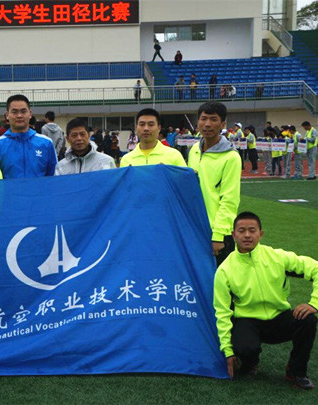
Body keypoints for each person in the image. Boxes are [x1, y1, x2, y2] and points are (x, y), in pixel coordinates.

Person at [213, 212, 318, 389]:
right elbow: (222, 312)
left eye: (252, 230)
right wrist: (228, 351)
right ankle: (250, 361)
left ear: (260, 234)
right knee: (244, 350)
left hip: (279, 318)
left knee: (308, 320)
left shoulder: (278, 257)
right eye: (242, 231)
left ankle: (296, 371)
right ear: (233, 235)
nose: (247, 235)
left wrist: (314, 303)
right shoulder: (225, 270)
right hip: (248, 321)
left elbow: (315, 268)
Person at [187, 102, 241, 266]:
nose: (207, 124)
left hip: (217, 234)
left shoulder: (231, 157)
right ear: (198, 122)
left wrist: (218, 236)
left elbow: (229, 200)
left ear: (223, 124)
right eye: (203, 119)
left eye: (213, 119)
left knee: (220, 280)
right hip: (194, 229)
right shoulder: (194, 150)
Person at [0, 95, 57, 179]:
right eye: (14, 112)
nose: (19, 115)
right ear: (7, 115)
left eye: (23, 111)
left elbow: (53, 177)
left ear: (30, 114)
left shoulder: (46, 143)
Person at [120, 108, 186, 167]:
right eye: (142, 124)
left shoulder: (174, 156)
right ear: (136, 128)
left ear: (159, 128)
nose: (146, 128)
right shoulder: (126, 160)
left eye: (151, 125)